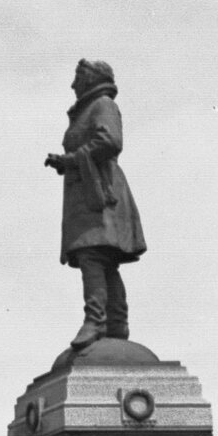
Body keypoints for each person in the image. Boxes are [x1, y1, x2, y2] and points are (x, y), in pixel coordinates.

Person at [45, 59, 146, 352]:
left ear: (90, 79)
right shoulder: (86, 109)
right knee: (102, 258)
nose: (73, 84)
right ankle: (115, 322)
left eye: (78, 77)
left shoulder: (102, 104)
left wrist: (70, 160)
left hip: (101, 194)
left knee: (93, 254)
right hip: (88, 192)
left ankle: (97, 321)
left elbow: (110, 141)